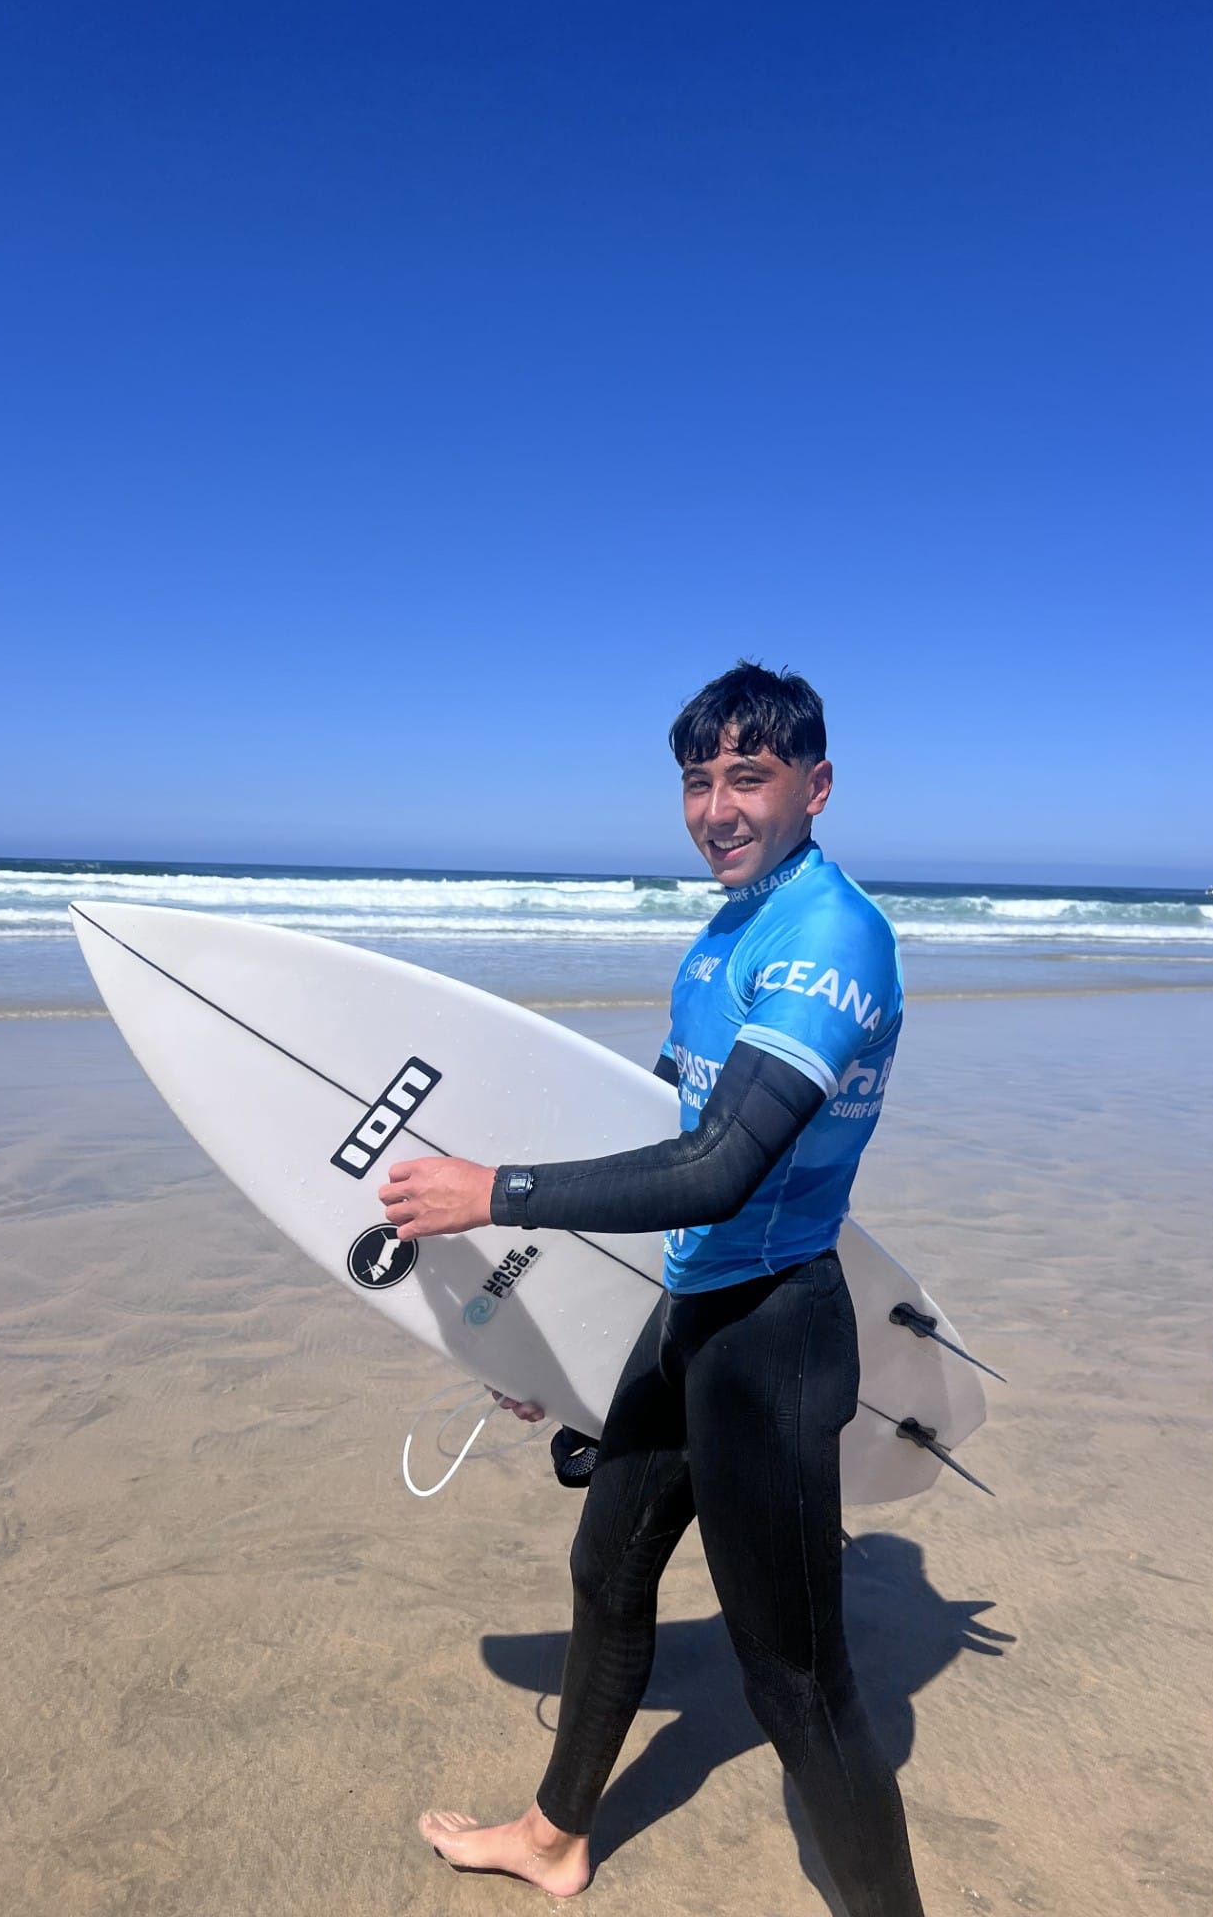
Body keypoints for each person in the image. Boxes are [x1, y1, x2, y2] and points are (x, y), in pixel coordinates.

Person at [380, 662, 925, 1915]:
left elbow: (722, 1165)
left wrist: (493, 1193)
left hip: (773, 1342)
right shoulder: (728, 929)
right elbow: (656, 1141)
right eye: (698, 779)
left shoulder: (831, 936)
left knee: (797, 1686)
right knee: (607, 1570)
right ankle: (558, 1834)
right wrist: (555, 1346)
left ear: (816, 785)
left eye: (750, 776)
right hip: (688, 1317)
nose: (717, 808)